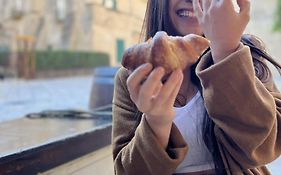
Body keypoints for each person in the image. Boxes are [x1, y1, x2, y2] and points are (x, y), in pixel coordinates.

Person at [112, 0, 281, 174]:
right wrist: (156, 122)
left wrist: (226, 52)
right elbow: (126, 171)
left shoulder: (246, 57)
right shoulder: (132, 78)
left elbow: (267, 146)